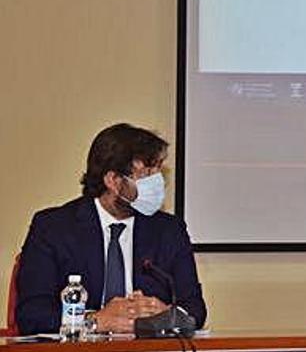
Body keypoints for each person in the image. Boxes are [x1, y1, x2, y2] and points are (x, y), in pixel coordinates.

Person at [16, 123, 207, 335]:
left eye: (158, 171)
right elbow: (31, 314)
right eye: (147, 174)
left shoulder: (169, 230)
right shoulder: (54, 228)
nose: (158, 182)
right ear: (113, 181)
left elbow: (195, 310)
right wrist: (94, 321)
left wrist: (169, 314)